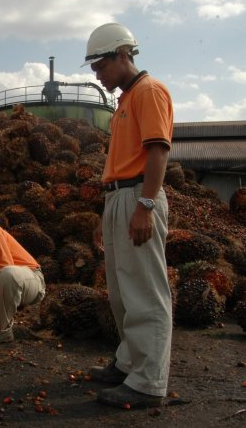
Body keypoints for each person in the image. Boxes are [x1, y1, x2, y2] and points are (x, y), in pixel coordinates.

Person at [82, 22, 173, 408]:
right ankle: (129, 363)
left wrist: (145, 206)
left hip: (138, 194)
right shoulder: (125, 100)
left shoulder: (149, 92)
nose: (98, 77)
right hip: (120, 196)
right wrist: (113, 211)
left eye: (101, 67)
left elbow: (158, 152)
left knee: (146, 293)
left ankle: (149, 383)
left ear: (123, 55)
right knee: (122, 291)